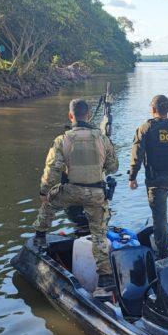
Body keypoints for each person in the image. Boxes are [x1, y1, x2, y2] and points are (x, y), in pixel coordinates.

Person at [33, 98, 118, 285]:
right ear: (88, 115)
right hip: (96, 194)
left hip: (71, 191)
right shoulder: (102, 138)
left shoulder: (62, 139)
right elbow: (113, 167)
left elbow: (52, 170)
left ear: (71, 115)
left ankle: (39, 236)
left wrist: (44, 192)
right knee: (99, 234)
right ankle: (105, 277)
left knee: (49, 201)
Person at [128, 94, 168, 259]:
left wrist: (132, 177)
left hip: (156, 180)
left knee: (160, 219)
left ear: (153, 109)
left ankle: (163, 253)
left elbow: (138, 155)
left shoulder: (145, 128)